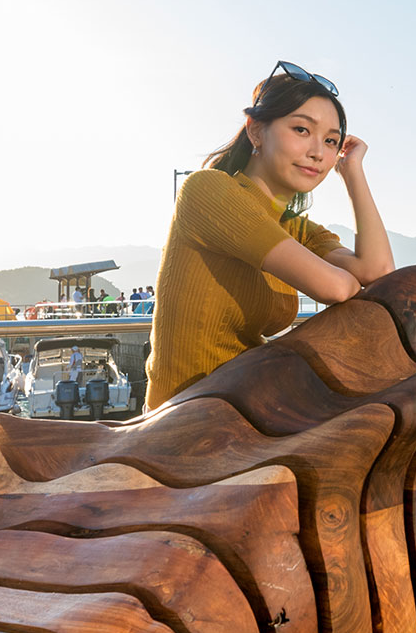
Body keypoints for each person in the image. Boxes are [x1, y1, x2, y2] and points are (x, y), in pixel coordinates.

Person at [146, 61, 395, 407]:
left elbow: (378, 272)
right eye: (302, 130)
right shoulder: (208, 191)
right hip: (182, 419)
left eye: (331, 141)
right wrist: (347, 283)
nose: (318, 153)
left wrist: (353, 172)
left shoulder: (293, 227)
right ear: (256, 131)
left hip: (244, 406)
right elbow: (336, 287)